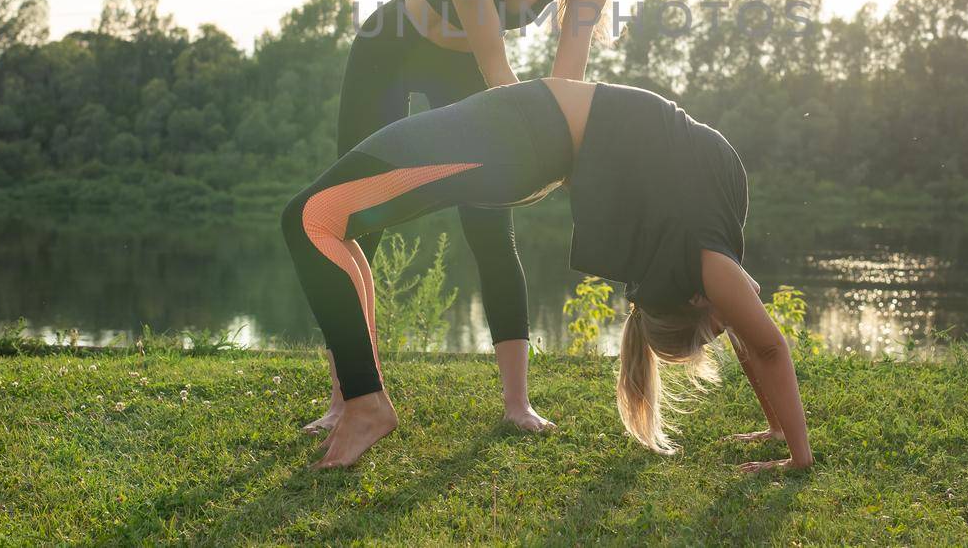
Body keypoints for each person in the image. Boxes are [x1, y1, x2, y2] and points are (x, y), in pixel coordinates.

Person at [281, 77, 815, 473]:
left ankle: (365, 402)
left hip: (519, 137)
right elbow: (758, 339)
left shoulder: (709, 266)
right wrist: (781, 434)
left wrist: (798, 455)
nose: (748, 304)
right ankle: (360, 399)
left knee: (311, 219)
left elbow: (763, 344)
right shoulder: (708, 266)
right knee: (327, 222)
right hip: (527, 134)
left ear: (696, 302)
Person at [304, 0, 613, 437]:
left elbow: (566, 86)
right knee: (353, 216)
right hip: (391, 51)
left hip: (466, 66)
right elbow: (498, 73)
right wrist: (529, 146)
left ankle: (517, 405)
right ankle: (349, 397)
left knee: (491, 225)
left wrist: (560, 159)